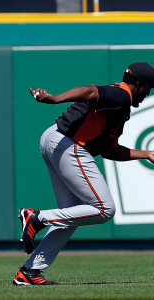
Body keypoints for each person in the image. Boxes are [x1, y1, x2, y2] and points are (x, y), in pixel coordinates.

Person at [13, 62, 154, 286]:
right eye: (149, 88)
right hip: (68, 144)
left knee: (71, 214)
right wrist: (54, 99)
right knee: (105, 209)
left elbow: (109, 150)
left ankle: (29, 272)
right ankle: (37, 218)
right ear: (138, 84)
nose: (148, 93)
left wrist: (146, 153)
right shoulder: (121, 95)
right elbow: (89, 90)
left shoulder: (119, 105)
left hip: (54, 138)